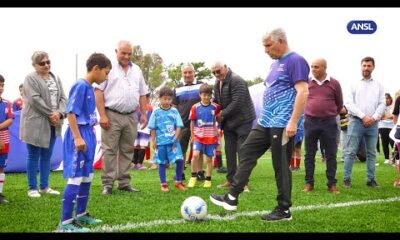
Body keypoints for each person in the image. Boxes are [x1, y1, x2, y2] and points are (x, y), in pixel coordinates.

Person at [210, 28, 309, 221]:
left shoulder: (295, 60)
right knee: (246, 150)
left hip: (282, 122)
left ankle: (284, 209)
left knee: (280, 165)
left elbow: (303, 91)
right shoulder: (275, 65)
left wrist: (294, 121)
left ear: (280, 41)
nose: (265, 50)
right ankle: (232, 196)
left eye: (268, 45)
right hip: (266, 120)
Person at [56, 53, 111, 232]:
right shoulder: (80, 85)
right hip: (78, 134)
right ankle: (65, 222)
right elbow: (70, 113)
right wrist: (78, 137)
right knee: (76, 176)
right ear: (96, 69)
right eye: (106, 72)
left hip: (88, 132)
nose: (106, 76)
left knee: (87, 175)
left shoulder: (90, 87)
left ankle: (81, 214)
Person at [94, 40, 149, 195]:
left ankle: (124, 183)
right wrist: (102, 115)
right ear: (116, 51)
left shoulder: (137, 69)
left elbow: (143, 93)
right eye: (123, 53)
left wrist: (143, 114)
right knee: (110, 150)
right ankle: (108, 184)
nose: (126, 56)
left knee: (127, 150)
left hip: (132, 115)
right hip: (111, 114)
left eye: (129, 53)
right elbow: (98, 92)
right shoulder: (107, 69)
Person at [20, 51, 66, 198]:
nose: (46, 65)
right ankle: (32, 188)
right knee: (33, 155)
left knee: (47, 155)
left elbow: (63, 98)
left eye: (48, 62)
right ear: (34, 65)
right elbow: (34, 99)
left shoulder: (55, 77)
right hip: (35, 122)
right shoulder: (30, 78)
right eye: (42, 63)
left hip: (54, 122)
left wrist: (59, 113)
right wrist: (51, 114)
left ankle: (45, 187)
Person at [211, 60, 255, 192]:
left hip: (243, 121)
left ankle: (243, 183)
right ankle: (231, 180)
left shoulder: (237, 80)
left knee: (243, 151)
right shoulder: (217, 83)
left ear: (225, 67)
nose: (216, 74)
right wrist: (210, 108)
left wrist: (222, 114)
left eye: (218, 71)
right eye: (213, 72)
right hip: (229, 122)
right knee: (229, 152)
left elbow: (238, 102)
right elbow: (218, 102)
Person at [343, 56, 385, 188]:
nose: (366, 68)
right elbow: (348, 103)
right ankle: (346, 179)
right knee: (350, 151)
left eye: (369, 66)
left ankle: (370, 179)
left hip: (373, 124)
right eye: (364, 65)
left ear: (373, 67)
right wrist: (363, 116)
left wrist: (373, 117)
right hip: (356, 122)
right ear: (361, 66)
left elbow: (382, 103)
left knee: (371, 152)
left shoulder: (379, 85)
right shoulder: (353, 83)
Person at [302, 58, 343, 194]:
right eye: (312, 67)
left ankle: (331, 184)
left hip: (329, 123)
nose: (313, 69)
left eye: (316, 67)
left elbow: (339, 103)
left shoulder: (334, 83)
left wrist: (328, 114)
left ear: (325, 68)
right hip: (310, 122)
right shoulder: (307, 82)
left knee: (331, 154)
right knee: (309, 154)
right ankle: (309, 183)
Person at [148, 87, 186, 192]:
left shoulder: (174, 111)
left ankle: (178, 181)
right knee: (162, 163)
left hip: (173, 142)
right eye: (164, 99)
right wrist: (153, 140)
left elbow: (179, 125)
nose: (167, 101)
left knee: (180, 160)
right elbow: (153, 128)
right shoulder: (156, 112)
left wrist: (175, 138)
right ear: (159, 98)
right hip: (161, 143)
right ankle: (163, 184)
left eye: (169, 99)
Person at [173, 63, 204, 181]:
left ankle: (199, 172)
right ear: (182, 74)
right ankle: (180, 173)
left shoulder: (202, 85)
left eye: (190, 72)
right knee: (181, 149)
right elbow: (174, 106)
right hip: (182, 124)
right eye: (185, 72)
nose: (187, 74)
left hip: (199, 124)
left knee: (199, 150)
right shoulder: (177, 88)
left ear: (194, 72)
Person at [187, 84, 221, 188]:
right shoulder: (195, 107)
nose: (206, 97)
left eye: (208, 95)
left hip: (210, 137)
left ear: (211, 95)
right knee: (195, 155)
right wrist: (192, 135)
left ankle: (208, 179)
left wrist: (217, 132)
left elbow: (218, 119)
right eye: (204, 95)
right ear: (200, 95)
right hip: (198, 136)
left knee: (209, 159)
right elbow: (192, 122)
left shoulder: (215, 107)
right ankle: (193, 177)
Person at [0, 74, 14, 204]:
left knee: (1, 166)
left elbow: (10, 119)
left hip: (3, 140)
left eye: (2, 85)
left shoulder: (7, 104)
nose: (0, 87)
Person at [132, 93, 152, 170]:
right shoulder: (149, 107)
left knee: (136, 145)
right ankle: (139, 163)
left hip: (135, 128)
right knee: (142, 146)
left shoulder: (135, 107)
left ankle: (134, 163)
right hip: (145, 129)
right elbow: (149, 119)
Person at [378, 93, 394, 165]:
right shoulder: (381, 106)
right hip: (382, 126)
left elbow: (394, 116)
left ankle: (395, 158)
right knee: (384, 143)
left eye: (387, 98)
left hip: (392, 126)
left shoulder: (393, 106)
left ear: (390, 99)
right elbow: (380, 116)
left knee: (392, 143)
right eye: (385, 99)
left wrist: (386, 117)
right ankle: (387, 158)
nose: (386, 100)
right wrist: (387, 116)